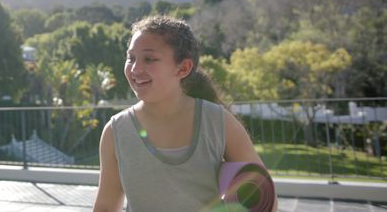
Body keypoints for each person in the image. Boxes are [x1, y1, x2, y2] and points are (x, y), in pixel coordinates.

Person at [93, 15, 276, 212]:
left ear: (183, 68)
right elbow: (105, 206)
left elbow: (265, 201)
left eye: (149, 59)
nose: (136, 68)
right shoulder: (115, 131)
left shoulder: (218, 121)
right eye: (131, 58)